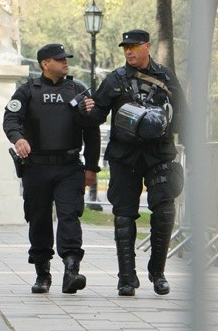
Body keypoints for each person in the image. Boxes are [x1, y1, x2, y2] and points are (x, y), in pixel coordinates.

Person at [77, 29, 187, 296]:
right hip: (124, 156)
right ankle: (126, 277)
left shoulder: (165, 76)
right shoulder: (115, 79)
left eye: (135, 46)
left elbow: (184, 113)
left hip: (159, 154)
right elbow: (97, 117)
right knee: (124, 215)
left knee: (164, 211)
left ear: (147, 47)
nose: (129, 51)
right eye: (125, 47)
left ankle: (157, 272)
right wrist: (85, 111)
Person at [2, 43, 101, 294]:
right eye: (59, 59)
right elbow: (11, 119)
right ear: (45, 64)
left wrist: (91, 167)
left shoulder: (77, 90)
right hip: (37, 167)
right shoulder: (27, 91)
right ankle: (42, 273)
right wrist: (18, 138)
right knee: (39, 219)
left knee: (70, 216)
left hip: (69, 166)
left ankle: (71, 270)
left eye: (66, 58)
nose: (65, 62)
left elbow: (92, 130)